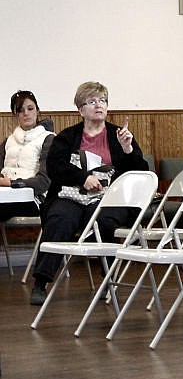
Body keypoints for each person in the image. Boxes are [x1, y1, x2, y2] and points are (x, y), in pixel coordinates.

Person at [29, 82, 149, 305]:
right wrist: (82, 177)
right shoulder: (67, 137)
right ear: (80, 109)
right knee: (60, 218)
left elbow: (141, 173)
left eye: (102, 100)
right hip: (71, 193)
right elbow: (56, 168)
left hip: (109, 196)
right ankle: (41, 282)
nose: (98, 105)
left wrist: (128, 150)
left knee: (104, 219)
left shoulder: (119, 135)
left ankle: (108, 280)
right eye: (92, 101)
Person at [0, 91, 55, 220]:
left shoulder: (49, 139)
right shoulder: (9, 141)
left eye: (30, 108)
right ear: (15, 114)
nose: (26, 113)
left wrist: (10, 183)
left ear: (37, 110)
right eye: (20, 110)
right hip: (5, 196)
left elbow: (44, 182)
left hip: (34, 199)